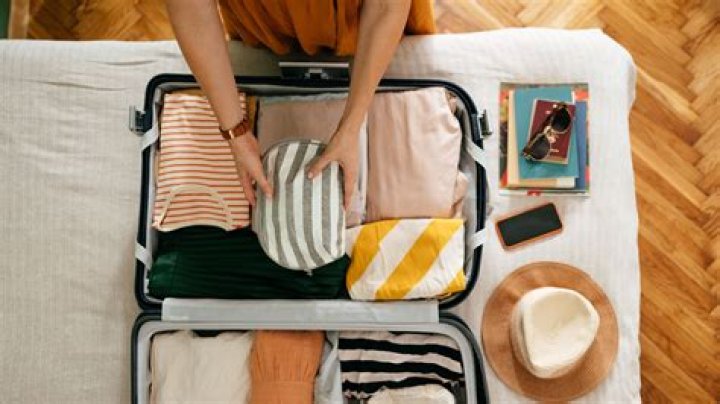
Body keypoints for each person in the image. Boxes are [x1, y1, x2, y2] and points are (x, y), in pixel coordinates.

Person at [166, 0, 435, 208]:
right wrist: (235, 132)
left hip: (364, 20)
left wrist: (352, 125)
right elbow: (190, 7)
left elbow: (387, 6)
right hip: (266, 21)